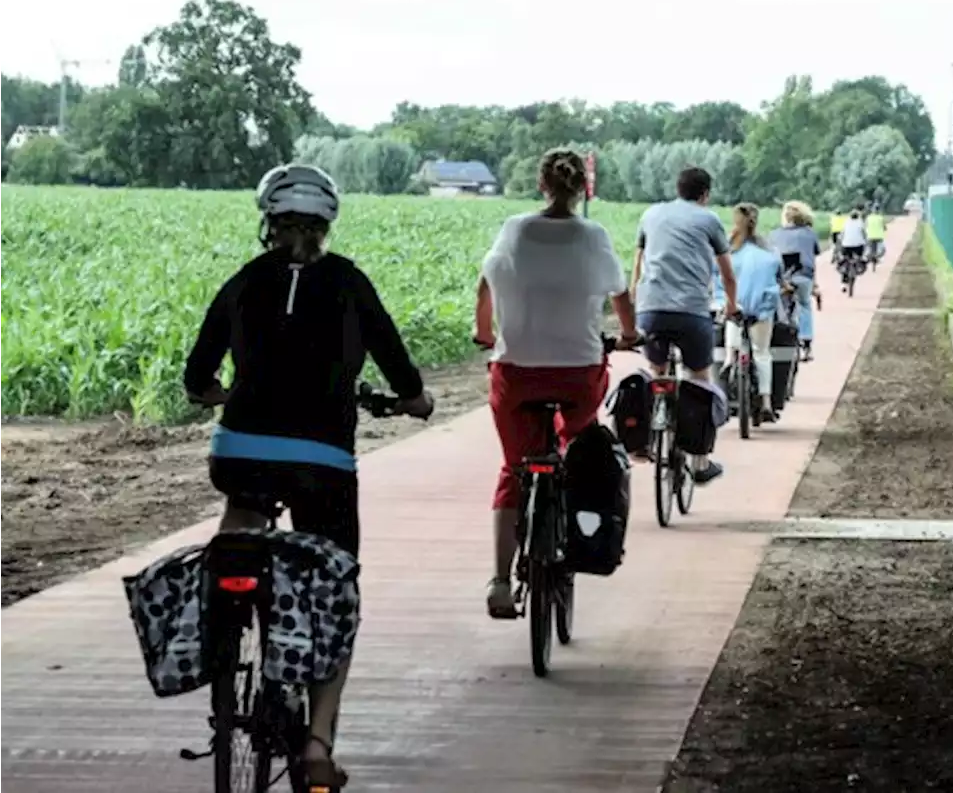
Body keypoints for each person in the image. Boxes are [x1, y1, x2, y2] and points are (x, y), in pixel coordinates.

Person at [183, 163, 434, 790]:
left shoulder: (244, 281)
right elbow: (398, 364)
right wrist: (413, 399)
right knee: (335, 589)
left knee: (239, 528)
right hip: (321, 462)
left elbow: (198, 372)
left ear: (266, 221)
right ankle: (318, 744)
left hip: (240, 451)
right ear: (327, 224)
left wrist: (216, 393)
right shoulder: (349, 283)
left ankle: (224, 635)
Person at [473, 148, 641, 620]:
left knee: (513, 467)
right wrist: (628, 335)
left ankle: (501, 582)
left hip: (516, 373)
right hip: (577, 373)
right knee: (574, 445)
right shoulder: (592, 235)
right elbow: (621, 294)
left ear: (541, 185)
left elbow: (486, 285)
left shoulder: (515, 230)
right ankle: (565, 501)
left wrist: (485, 333)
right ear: (581, 188)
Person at [631, 166, 739, 484]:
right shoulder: (709, 220)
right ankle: (701, 462)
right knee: (699, 380)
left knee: (656, 371)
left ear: (677, 188)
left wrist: (640, 304)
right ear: (705, 194)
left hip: (651, 308)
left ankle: (645, 440)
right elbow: (727, 274)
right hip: (692, 311)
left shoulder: (650, 215)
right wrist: (731, 306)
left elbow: (637, 265)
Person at [719, 203, 783, 421]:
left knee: (731, 326)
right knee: (762, 352)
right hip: (761, 310)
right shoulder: (769, 251)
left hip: (735, 307)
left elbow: (717, 280)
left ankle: (729, 361)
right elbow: (778, 280)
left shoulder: (727, 249)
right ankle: (766, 401)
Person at [768, 200, 821, 361]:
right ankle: (806, 345)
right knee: (805, 305)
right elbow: (813, 257)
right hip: (804, 276)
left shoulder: (774, 234)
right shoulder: (810, 233)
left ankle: (782, 340)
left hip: (783, 277)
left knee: (781, 307)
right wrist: (815, 284)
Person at [840, 205, 869, 291]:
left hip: (846, 245)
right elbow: (864, 234)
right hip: (858, 246)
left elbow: (842, 235)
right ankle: (860, 263)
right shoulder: (860, 223)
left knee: (845, 260)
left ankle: (843, 283)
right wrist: (866, 240)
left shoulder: (846, 222)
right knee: (861, 255)